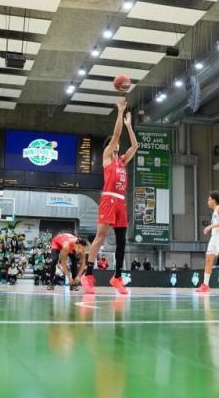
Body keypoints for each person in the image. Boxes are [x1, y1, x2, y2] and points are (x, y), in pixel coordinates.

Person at [81, 97, 138, 294]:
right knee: (101, 236)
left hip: (121, 201)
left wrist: (129, 126)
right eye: (115, 144)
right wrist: (120, 112)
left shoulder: (122, 161)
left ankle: (117, 277)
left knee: (122, 241)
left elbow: (135, 146)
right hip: (108, 199)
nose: (118, 145)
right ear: (110, 146)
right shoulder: (107, 158)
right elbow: (115, 134)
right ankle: (87, 274)